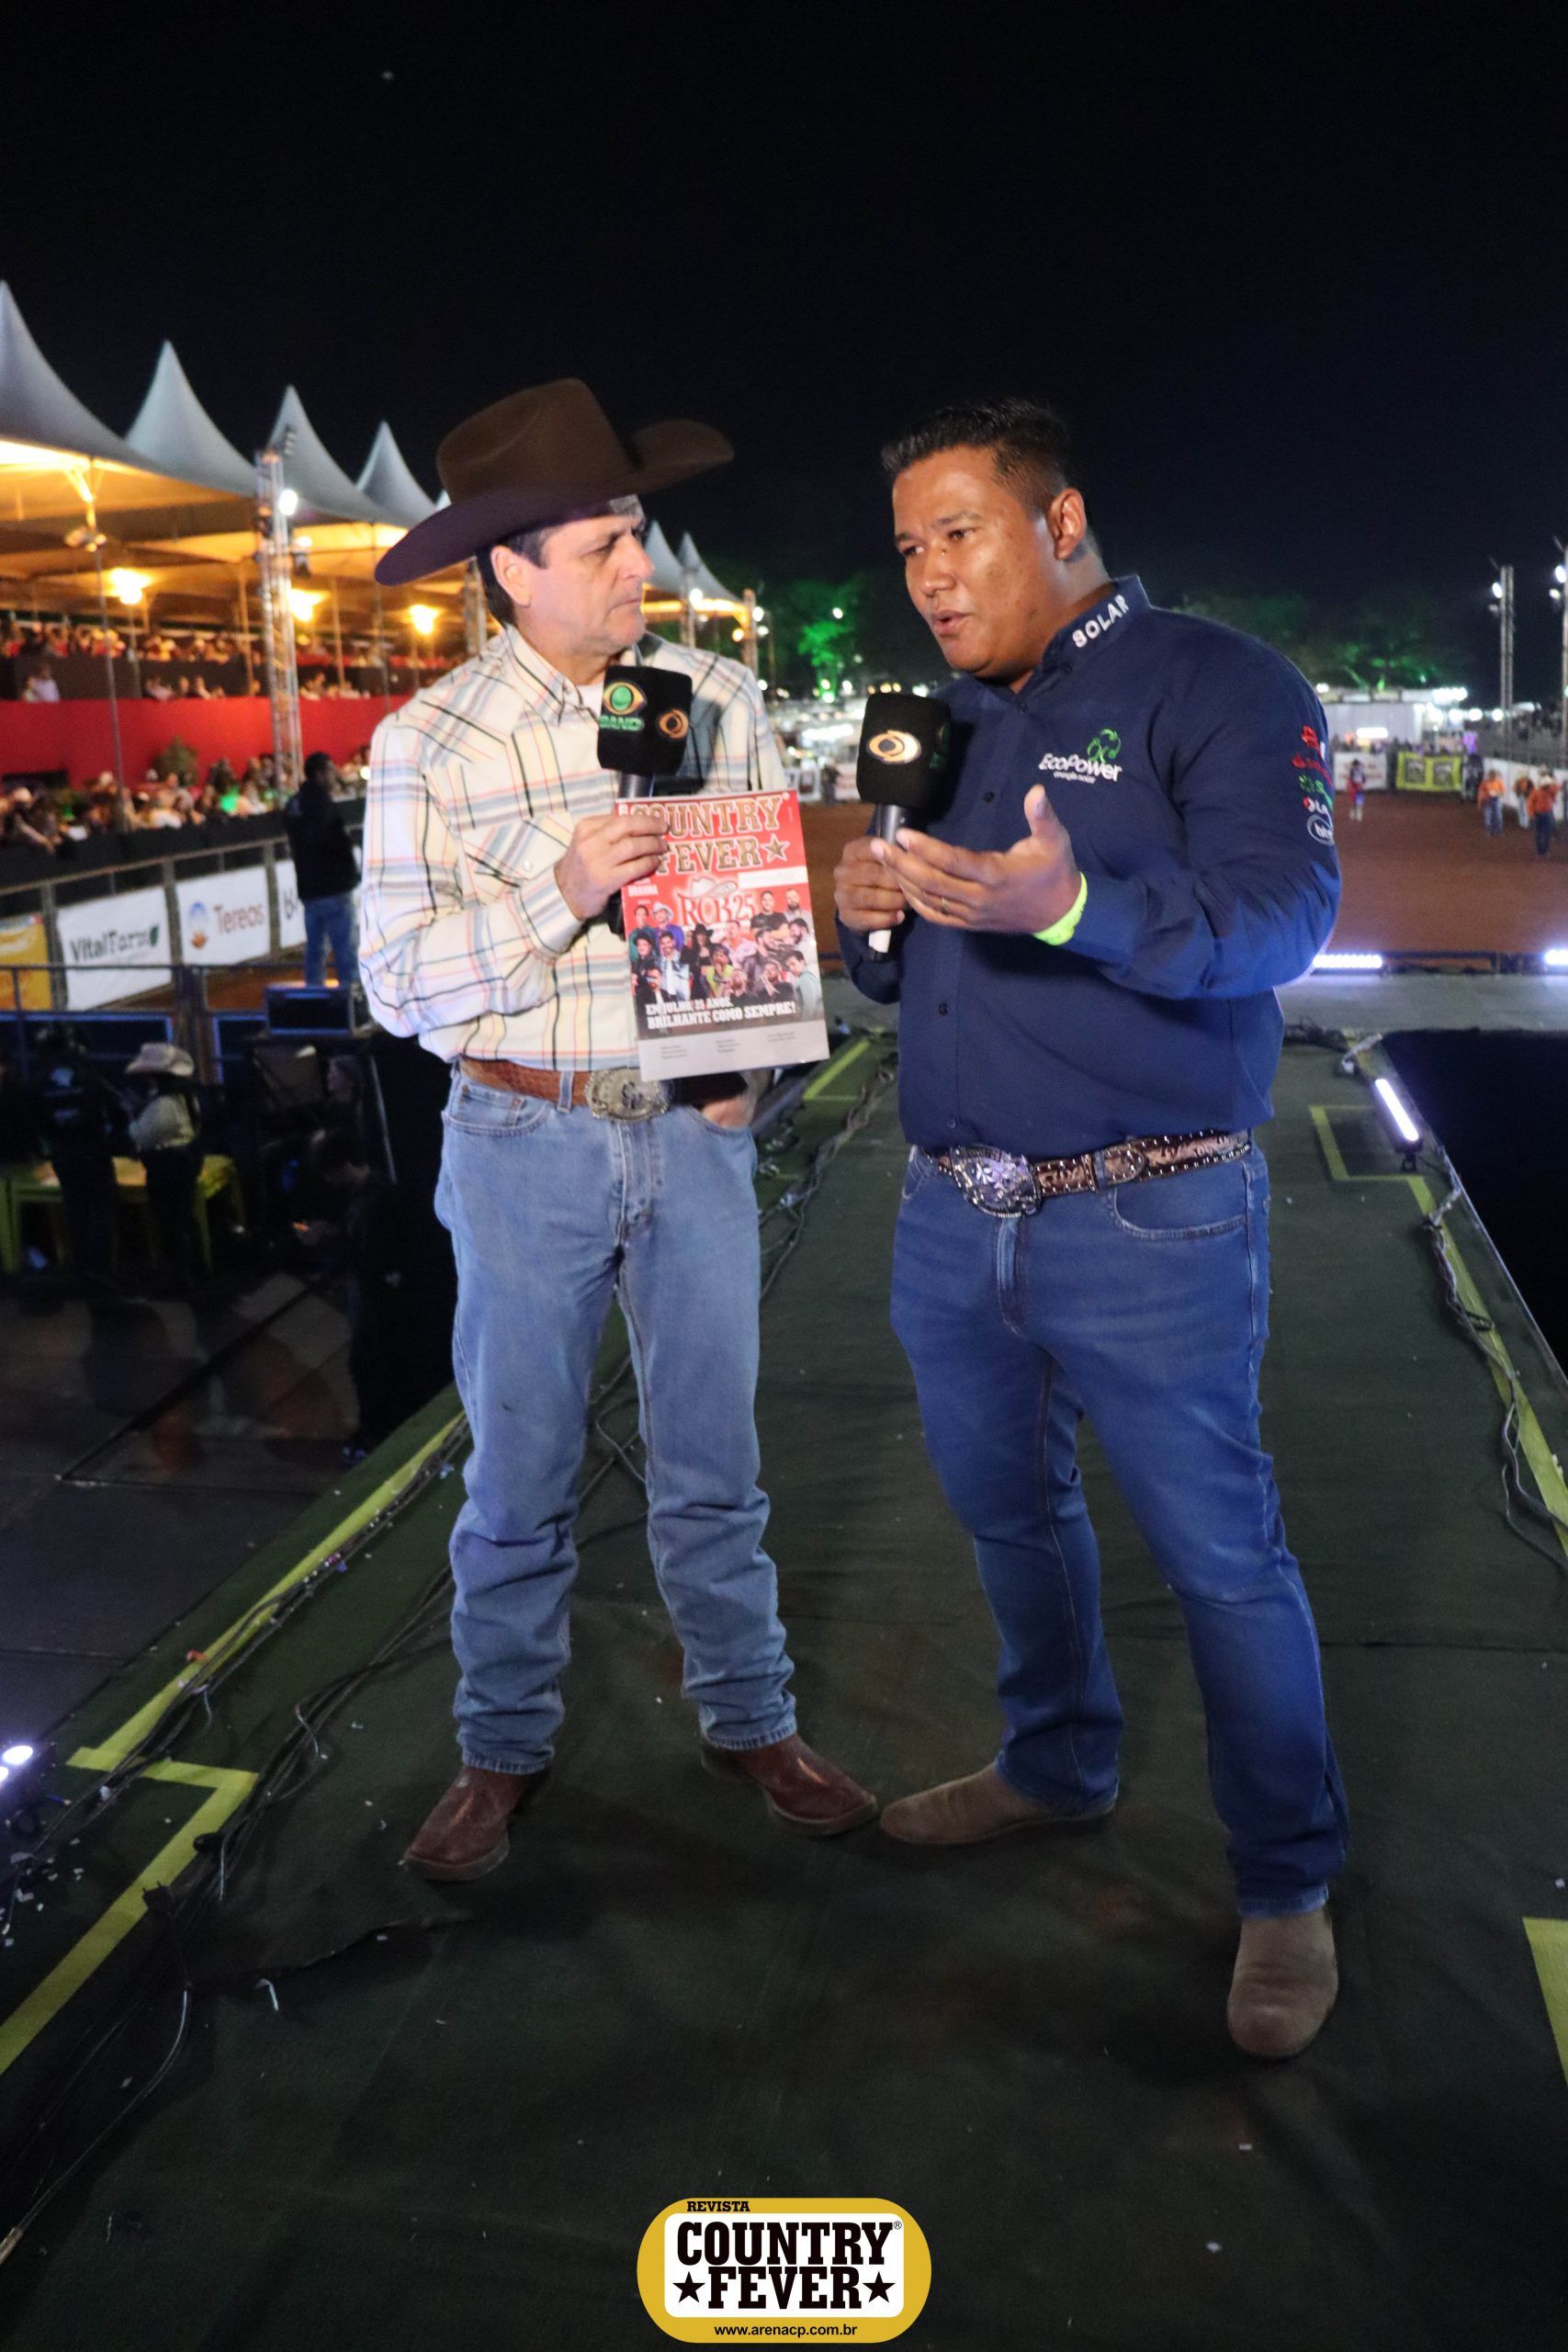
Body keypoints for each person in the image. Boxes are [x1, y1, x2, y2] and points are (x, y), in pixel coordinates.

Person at [834, 397, 1346, 2060]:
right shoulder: (931, 720)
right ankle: (1053, 1765)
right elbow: (907, 968)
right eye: (906, 546)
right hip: (948, 1215)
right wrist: (866, 919)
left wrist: (1069, 905)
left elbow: (1280, 917)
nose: (926, 572)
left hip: (1148, 1209)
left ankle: (1284, 1884)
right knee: (1006, 1515)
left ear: (1058, 524)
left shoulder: (1220, 684)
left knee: (1221, 1559)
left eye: (957, 532)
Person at [359, 374, 874, 1882]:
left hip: (690, 1137)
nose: (640, 566)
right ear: (510, 568)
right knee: (515, 1476)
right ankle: (500, 1746)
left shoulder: (709, 699)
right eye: (603, 545)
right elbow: (397, 985)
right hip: (519, 1138)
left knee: (713, 1460)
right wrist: (566, 883)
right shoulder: (427, 741)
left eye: (636, 533)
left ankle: (750, 1718)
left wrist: (745, 1070)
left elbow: (751, 928)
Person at [310, 1128, 415, 1453]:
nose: (329, 1182)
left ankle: (375, 1433)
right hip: (374, 1298)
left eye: (330, 1174)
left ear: (344, 1166)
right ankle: (376, 1429)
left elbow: (367, 1257)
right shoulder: (372, 1193)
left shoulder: (373, 1202)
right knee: (371, 1367)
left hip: (375, 1302)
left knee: (369, 1367)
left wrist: (324, 1240)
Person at [30, 1032, 120, 1284]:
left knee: (76, 1210)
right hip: (94, 1150)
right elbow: (113, 1107)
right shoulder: (89, 1075)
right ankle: (102, 1268)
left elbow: (36, 1121)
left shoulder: (40, 1081)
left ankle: (82, 1268)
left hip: (63, 1154)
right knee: (102, 1209)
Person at [124, 1042, 203, 1285]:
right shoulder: (185, 1096)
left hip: (168, 1166)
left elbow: (141, 1135)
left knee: (171, 1222)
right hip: (184, 1161)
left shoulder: (164, 1103)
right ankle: (193, 1269)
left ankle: (181, 1274)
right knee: (183, 1218)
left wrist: (131, 1113)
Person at [284, 752, 360, 990]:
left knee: (315, 950)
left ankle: (313, 998)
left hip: (310, 889)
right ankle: (351, 1001)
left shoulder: (294, 805)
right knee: (346, 950)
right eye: (329, 771)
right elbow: (334, 843)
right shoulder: (323, 804)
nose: (333, 776)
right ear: (319, 774)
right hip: (334, 887)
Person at [1528, 772, 1558, 856]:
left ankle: (1543, 851)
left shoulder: (1547, 791)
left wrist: (1531, 813)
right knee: (1541, 833)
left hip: (1544, 814)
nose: (1548, 785)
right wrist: (1531, 813)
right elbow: (1530, 803)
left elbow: (1530, 803)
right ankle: (1541, 851)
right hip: (1541, 814)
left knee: (1545, 833)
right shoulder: (1537, 791)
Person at [1478, 767, 1507, 837]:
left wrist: (1496, 793)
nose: (1493, 777)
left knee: (1498, 816)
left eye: (1494, 776)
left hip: (1496, 800)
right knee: (1488, 816)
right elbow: (1481, 792)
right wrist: (1480, 802)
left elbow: (1503, 791)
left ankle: (1499, 831)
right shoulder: (1485, 782)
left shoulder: (1498, 781)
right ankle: (1489, 831)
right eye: (1492, 776)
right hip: (1488, 800)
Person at [1345, 758, 1366, 822]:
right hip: (1358, 786)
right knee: (1357, 801)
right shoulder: (1361, 770)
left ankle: (1353, 815)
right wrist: (1362, 784)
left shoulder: (1353, 770)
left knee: (1354, 801)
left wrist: (1349, 786)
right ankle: (1358, 816)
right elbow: (1364, 779)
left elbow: (1351, 778)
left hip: (1355, 786)